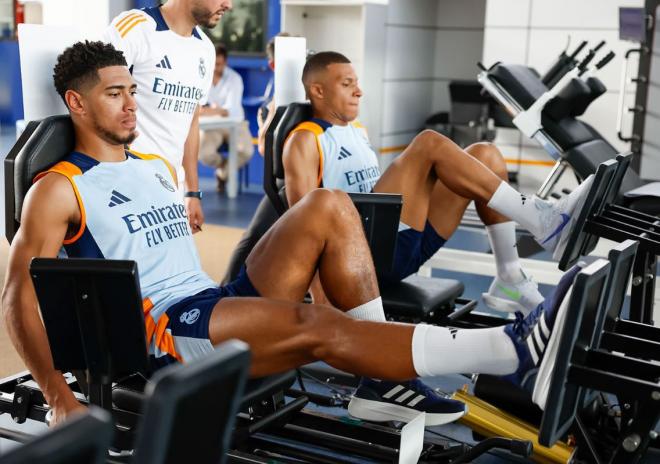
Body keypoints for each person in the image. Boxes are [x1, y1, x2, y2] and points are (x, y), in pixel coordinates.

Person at [1, 41, 576, 430]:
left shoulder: (154, 165)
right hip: (167, 336)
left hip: (211, 304)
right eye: (113, 94)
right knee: (318, 326)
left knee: (328, 203)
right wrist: (59, 396)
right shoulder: (58, 188)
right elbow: (17, 296)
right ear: (77, 102)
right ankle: (512, 349)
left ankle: (380, 379)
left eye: (132, 90)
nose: (131, 104)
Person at [283, 51, 593, 314]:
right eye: (347, 84)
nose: (359, 91)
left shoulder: (357, 130)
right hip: (358, 260)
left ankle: (510, 275)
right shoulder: (305, 140)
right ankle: (542, 220)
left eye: (357, 83)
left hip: (397, 249)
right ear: (318, 91)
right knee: (428, 142)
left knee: (486, 154)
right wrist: (322, 303)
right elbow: (302, 229)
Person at [103, 0, 231, 232]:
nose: (228, 5)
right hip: (123, 184)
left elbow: (191, 122)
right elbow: (96, 100)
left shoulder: (205, 48)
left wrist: (192, 191)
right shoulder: (135, 28)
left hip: (171, 186)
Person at [198, 43, 254, 192]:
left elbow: (230, 110)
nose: (216, 67)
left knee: (246, 151)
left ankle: (222, 175)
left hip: (235, 124)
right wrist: (216, 111)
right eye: (214, 64)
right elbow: (197, 108)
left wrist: (207, 110)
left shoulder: (234, 79)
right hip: (210, 126)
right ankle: (225, 167)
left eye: (220, 64)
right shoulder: (201, 77)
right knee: (203, 154)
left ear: (225, 62)